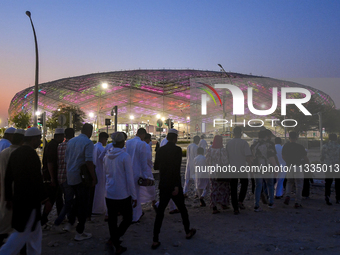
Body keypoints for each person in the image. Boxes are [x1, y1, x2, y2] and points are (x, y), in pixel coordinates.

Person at [0, 127, 51, 255]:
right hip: (29, 202)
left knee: (34, 233)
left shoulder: (15, 153)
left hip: (18, 199)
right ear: (33, 139)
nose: (40, 141)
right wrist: (45, 199)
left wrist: (8, 198)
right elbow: (36, 179)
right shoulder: (31, 154)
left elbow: (8, 178)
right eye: (39, 138)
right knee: (21, 233)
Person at [152, 129, 196, 250]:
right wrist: (176, 186)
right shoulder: (177, 150)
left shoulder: (160, 150)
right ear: (175, 138)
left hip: (163, 184)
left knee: (160, 213)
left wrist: (163, 167)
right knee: (182, 209)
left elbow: (156, 166)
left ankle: (155, 239)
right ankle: (187, 231)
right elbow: (176, 169)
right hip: (174, 184)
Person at [104, 132, 137, 254]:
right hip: (122, 194)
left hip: (110, 193)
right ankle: (115, 240)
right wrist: (134, 196)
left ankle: (115, 242)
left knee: (112, 220)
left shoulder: (106, 156)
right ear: (123, 142)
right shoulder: (125, 156)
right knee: (128, 218)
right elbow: (129, 178)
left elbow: (105, 175)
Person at [65, 123, 97, 241]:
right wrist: (93, 178)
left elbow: (66, 159)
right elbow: (89, 162)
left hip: (71, 175)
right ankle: (80, 231)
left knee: (76, 200)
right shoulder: (88, 143)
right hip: (82, 178)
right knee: (83, 203)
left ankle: (70, 223)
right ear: (90, 131)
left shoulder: (71, 141)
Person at [0, 129, 25, 247]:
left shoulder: (3, 153)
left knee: (5, 217)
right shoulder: (20, 154)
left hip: (4, 189)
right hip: (16, 191)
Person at [225, 126, 253, 214]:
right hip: (242, 167)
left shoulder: (228, 143)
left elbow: (226, 157)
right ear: (241, 133)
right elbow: (248, 157)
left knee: (233, 187)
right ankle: (240, 201)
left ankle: (235, 207)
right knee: (244, 184)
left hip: (232, 168)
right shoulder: (244, 143)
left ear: (233, 134)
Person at [41, 128, 65, 226]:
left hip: (53, 176)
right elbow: (50, 163)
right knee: (51, 199)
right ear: (58, 136)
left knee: (58, 198)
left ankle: (60, 217)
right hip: (51, 177)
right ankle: (43, 219)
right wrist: (52, 178)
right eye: (62, 136)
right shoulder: (53, 146)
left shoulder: (52, 145)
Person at [54, 128, 75, 231]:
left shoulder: (60, 146)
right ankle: (60, 220)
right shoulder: (72, 146)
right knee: (69, 201)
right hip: (68, 176)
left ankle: (69, 221)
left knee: (67, 199)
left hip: (60, 175)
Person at [125, 128, 149, 223]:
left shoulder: (128, 142)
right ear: (143, 134)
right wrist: (145, 175)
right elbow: (143, 162)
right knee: (136, 194)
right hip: (136, 171)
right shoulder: (142, 144)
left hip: (127, 170)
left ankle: (128, 213)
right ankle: (136, 216)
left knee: (129, 193)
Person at [282, 131, 309, 208]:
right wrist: (308, 166)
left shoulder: (285, 146)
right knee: (299, 184)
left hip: (289, 166)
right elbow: (305, 158)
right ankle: (298, 202)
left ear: (289, 137)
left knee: (289, 182)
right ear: (296, 138)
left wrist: (288, 161)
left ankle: (287, 195)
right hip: (298, 166)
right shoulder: (300, 146)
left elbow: (283, 156)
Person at [251, 130, 277, 212]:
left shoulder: (254, 145)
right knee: (270, 185)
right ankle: (271, 203)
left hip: (257, 168)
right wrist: (276, 167)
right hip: (267, 167)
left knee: (258, 186)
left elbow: (251, 158)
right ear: (266, 135)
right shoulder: (269, 144)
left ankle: (256, 204)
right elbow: (271, 156)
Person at [206, 135, 230, 214]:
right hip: (221, 172)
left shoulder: (210, 149)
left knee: (214, 188)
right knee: (223, 188)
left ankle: (214, 206)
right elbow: (225, 161)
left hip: (212, 172)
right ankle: (223, 204)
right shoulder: (222, 150)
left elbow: (207, 160)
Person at [92, 132, 109, 215]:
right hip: (101, 171)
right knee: (101, 190)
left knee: (96, 190)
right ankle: (99, 208)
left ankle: (94, 208)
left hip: (95, 170)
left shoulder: (94, 146)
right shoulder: (101, 149)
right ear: (103, 139)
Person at [321, 133, 340, 205]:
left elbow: (322, 157)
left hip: (328, 166)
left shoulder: (324, 146)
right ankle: (338, 198)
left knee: (328, 182)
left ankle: (327, 196)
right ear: (336, 139)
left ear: (329, 138)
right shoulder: (338, 147)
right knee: (338, 183)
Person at [139, 133, 157, 209]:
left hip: (139, 168)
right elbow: (149, 159)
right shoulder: (145, 146)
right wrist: (151, 165)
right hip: (146, 168)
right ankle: (153, 200)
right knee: (150, 185)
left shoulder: (139, 144)